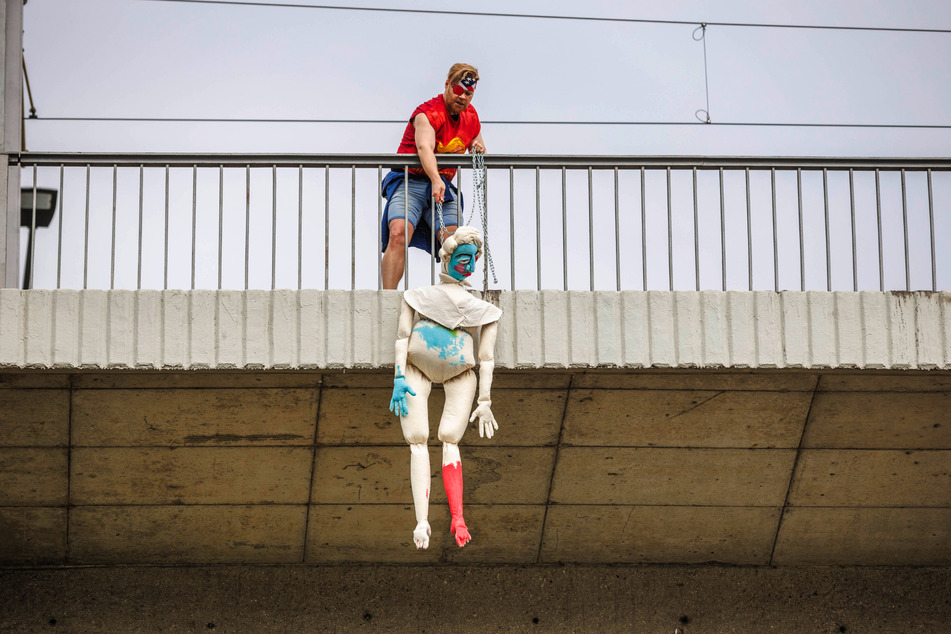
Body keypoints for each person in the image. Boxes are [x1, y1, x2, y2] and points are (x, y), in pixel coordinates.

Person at [388, 227, 501, 549]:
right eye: (461, 259)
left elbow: (486, 357)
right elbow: (402, 338)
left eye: (472, 260)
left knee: (450, 439)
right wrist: (398, 377)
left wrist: (485, 399)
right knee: (417, 439)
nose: (466, 266)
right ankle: (421, 521)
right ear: (448, 259)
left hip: (460, 374)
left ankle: (458, 517)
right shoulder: (420, 295)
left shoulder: (484, 310)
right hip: (415, 370)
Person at [381, 63, 487, 289]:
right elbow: (424, 149)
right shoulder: (428, 113)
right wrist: (436, 179)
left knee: (456, 244)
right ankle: (387, 298)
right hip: (411, 181)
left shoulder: (471, 116)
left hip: (443, 186)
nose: (463, 97)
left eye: (468, 93)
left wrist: (478, 147)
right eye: (458, 90)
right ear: (447, 85)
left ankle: (454, 294)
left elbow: (476, 140)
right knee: (398, 232)